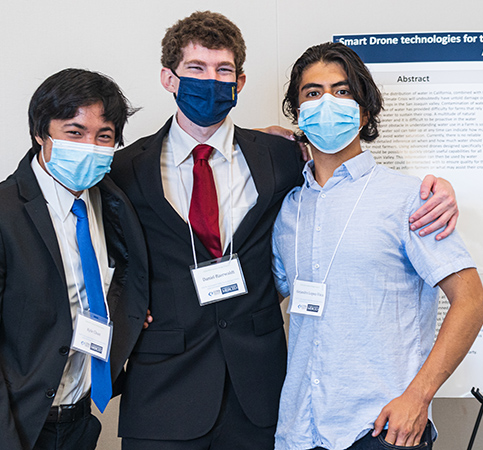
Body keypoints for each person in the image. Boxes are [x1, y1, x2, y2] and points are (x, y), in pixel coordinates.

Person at [110, 11, 460, 450]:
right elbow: (99, 249)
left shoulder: (278, 158)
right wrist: (125, 308)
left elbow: (335, 164)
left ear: (239, 83)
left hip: (260, 397)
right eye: (196, 69)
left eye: (223, 71)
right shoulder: (124, 169)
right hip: (164, 393)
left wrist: (441, 188)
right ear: (168, 77)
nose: (211, 81)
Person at [271, 42, 483, 450]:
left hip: (381, 427)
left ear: (364, 111)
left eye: (342, 91)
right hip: (300, 429)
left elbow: (471, 301)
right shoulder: (288, 208)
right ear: (298, 112)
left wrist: (418, 396)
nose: (327, 102)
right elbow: (263, 298)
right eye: (312, 93)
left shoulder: (410, 199)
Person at [0, 68, 149, 450]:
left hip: (79, 425)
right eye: (74, 132)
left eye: (104, 136)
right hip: (10, 429)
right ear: (40, 133)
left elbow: (121, 284)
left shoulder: (114, 205)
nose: (90, 145)